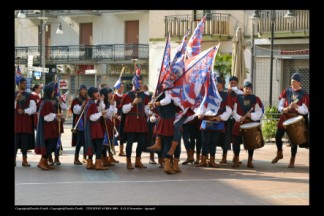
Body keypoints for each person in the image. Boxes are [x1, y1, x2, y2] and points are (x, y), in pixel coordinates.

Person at [271, 73, 309, 168]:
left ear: (299, 82)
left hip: (295, 119)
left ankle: (292, 159)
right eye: (291, 81)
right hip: (285, 117)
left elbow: (305, 111)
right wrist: (283, 109)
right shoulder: (286, 91)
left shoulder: (304, 94)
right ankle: (279, 153)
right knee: (278, 136)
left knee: (294, 140)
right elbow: (280, 105)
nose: (292, 83)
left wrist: (297, 107)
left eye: (294, 81)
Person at [197, 76, 233, 168]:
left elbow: (228, 111)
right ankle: (203, 159)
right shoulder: (208, 94)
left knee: (213, 141)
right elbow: (203, 106)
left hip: (217, 122)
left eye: (217, 83)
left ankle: (212, 160)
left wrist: (220, 117)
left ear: (221, 84)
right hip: (207, 120)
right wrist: (200, 113)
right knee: (205, 141)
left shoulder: (225, 96)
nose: (215, 85)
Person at [148, 84, 181, 174]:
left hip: (167, 120)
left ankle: (173, 165)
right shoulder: (165, 94)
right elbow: (169, 101)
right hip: (170, 121)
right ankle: (168, 165)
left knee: (170, 144)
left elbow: (168, 101)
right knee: (172, 144)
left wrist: (154, 103)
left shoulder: (161, 94)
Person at [232, 81, 264, 168]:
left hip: (249, 123)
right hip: (239, 122)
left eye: (250, 89)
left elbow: (259, 111)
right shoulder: (238, 98)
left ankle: (250, 160)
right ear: (244, 89)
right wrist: (239, 118)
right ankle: (236, 159)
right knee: (236, 141)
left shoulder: (255, 99)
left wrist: (251, 115)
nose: (248, 90)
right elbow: (234, 111)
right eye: (247, 88)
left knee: (251, 142)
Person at [120, 76, 150, 169]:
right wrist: (132, 103)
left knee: (141, 142)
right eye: (138, 83)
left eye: (141, 83)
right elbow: (124, 110)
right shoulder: (128, 95)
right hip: (131, 120)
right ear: (133, 84)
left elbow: (146, 108)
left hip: (141, 120)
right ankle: (128, 161)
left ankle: (138, 160)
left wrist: (150, 112)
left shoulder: (144, 95)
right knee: (129, 142)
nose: (140, 85)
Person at [35, 83, 62, 170]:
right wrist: (56, 115)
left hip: (49, 127)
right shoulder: (47, 102)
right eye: (53, 91)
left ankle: (44, 162)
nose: (54, 92)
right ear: (50, 92)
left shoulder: (46, 101)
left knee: (49, 145)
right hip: (48, 128)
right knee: (51, 143)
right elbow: (46, 117)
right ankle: (42, 161)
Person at [84, 87, 108, 170]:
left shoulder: (89, 102)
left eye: (98, 92)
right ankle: (98, 164)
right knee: (98, 145)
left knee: (93, 144)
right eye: (96, 92)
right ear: (92, 94)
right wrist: (101, 113)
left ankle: (90, 163)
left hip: (92, 128)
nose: (98, 94)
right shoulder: (92, 104)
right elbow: (92, 117)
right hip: (95, 127)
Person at [15, 78, 37, 167]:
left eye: (25, 83)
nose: (24, 84)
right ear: (18, 84)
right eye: (22, 83)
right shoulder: (14, 94)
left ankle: (25, 160)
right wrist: (16, 99)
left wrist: (24, 111)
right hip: (16, 123)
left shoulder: (30, 96)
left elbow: (34, 109)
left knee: (24, 143)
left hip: (25, 123)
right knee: (15, 143)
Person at [222, 76, 243, 164]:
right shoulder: (226, 93)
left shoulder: (240, 93)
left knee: (236, 139)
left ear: (237, 84)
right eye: (231, 83)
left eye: (234, 83)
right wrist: (228, 93)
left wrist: (236, 91)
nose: (233, 84)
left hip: (236, 119)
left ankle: (236, 156)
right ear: (229, 84)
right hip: (227, 119)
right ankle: (224, 156)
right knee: (225, 138)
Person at [99, 87, 119, 167]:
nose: (111, 95)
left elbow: (113, 113)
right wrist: (111, 106)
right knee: (105, 142)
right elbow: (107, 114)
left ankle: (108, 157)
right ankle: (103, 159)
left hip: (108, 123)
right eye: (109, 93)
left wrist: (113, 105)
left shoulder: (108, 102)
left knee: (109, 142)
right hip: (103, 124)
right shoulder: (102, 103)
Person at [70, 84, 88, 165]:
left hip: (87, 121)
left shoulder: (88, 99)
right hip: (80, 122)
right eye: (82, 89)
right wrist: (82, 106)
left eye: (84, 89)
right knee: (80, 140)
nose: (83, 91)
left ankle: (85, 157)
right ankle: (76, 158)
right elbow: (75, 111)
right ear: (80, 90)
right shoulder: (76, 100)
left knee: (86, 140)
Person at [113, 82, 126, 156]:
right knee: (115, 133)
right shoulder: (114, 96)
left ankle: (121, 150)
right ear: (117, 88)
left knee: (122, 134)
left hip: (123, 117)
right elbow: (113, 107)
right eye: (120, 87)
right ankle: (113, 148)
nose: (121, 88)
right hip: (116, 117)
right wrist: (117, 116)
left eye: (122, 87)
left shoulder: (124, 96)